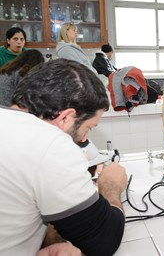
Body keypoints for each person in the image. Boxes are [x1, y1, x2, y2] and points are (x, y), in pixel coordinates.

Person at [0, 59, 128, 255]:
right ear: (66, 118)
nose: (85, 138)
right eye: (88, 128)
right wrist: (111, 186)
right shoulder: (50, 144)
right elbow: (104, 241)